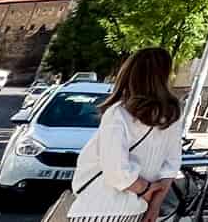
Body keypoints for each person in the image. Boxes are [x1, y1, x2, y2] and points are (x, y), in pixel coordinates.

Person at [64, 47, 183, 222]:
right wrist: (155, 204)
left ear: (130, 73)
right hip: (137, 211)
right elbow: (171, 165)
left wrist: (144, 189)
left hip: (99, 208)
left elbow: (116, 171)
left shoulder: (119, 114)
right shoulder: (172, 116)